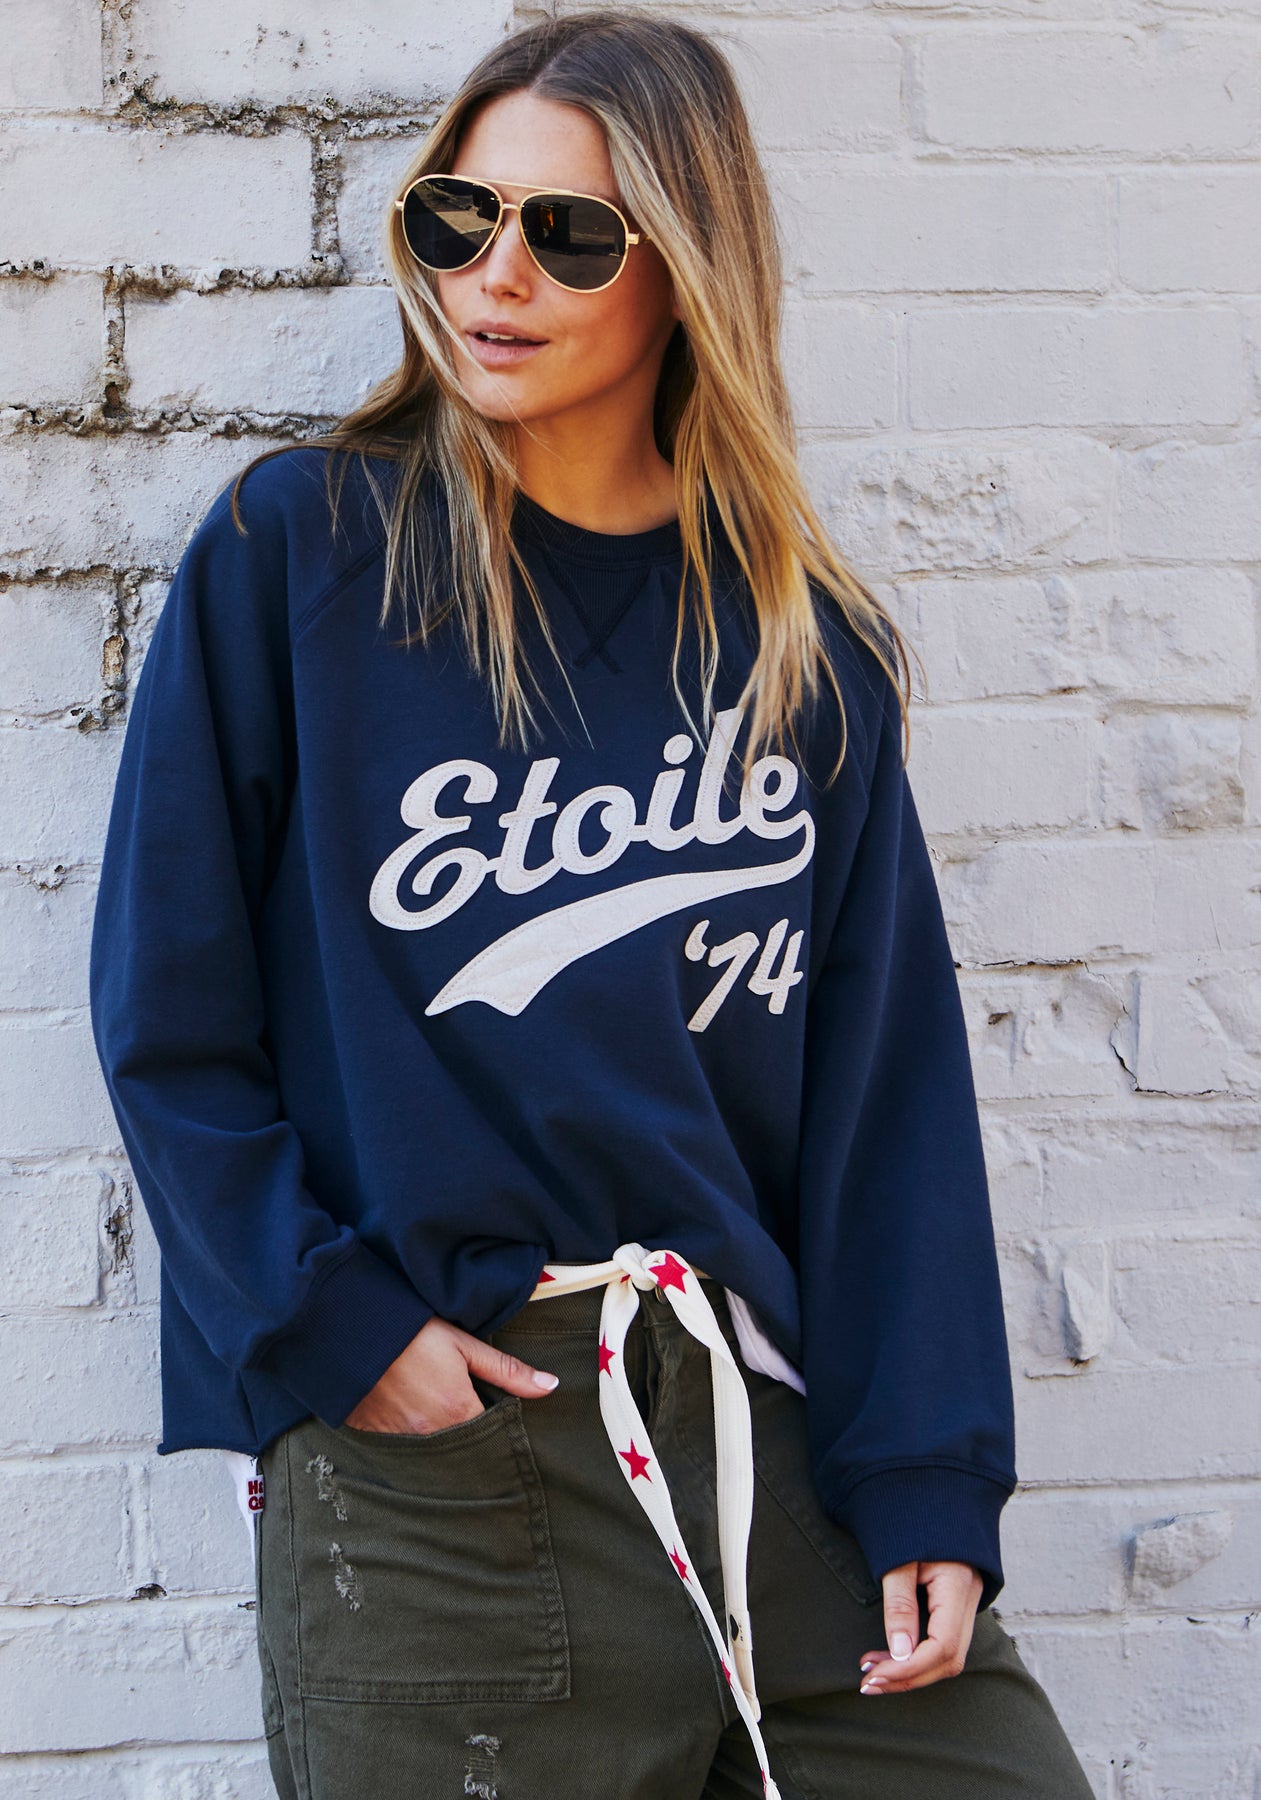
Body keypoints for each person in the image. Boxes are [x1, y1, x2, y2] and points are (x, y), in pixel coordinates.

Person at [88, 10, 1095, 1797]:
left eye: (568, 234)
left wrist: (925, 1472)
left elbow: (883, 1107)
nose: (496, 275)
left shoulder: (802, 647)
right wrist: (338, 1330)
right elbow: (169, 1015)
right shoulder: (301, 554)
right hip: (444, 1478)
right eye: (457, 218)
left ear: (685, 268)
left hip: (763, 1445)